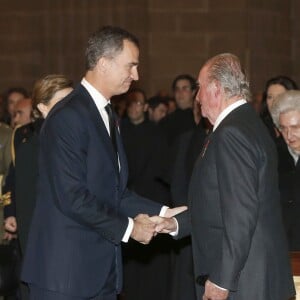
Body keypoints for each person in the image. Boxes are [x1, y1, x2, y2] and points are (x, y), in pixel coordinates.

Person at [21, 26, 185, 300]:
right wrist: (132, 229)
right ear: (103, 64)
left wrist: (166, 213)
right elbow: (72, 197)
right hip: (65, 277)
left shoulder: (105, 114)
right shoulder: (67, 117)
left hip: (101, 274)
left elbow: (113, 192)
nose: (136, 75)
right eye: (130, 66)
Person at [154, 53, 295, 300]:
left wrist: (222, 279)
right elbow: (221, 203)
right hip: (251, 274)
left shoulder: (232, 133)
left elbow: (241, 212)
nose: (197, 98)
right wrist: (175, 223)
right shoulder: (246, 123)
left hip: (246, 281)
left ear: (216, 89)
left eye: (199, 88)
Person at [3, 74, 73, 300]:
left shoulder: (67, 139)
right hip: (48, 256)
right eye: (62, 102)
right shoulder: (33, 145)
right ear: (42, 107)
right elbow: (27, 204)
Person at [120, 88, 171, 300]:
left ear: (146, 107)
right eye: (130, 104)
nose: (134, 108)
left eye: (138, 103)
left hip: (150, 199)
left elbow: (161, 168)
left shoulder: (156, 133)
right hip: (125, 203)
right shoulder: (118, 131)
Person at [270, 90, 300, 250]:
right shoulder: (273, 157)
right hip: (283, 249)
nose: (289, 135)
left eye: (295, 127)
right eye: (283, 128)